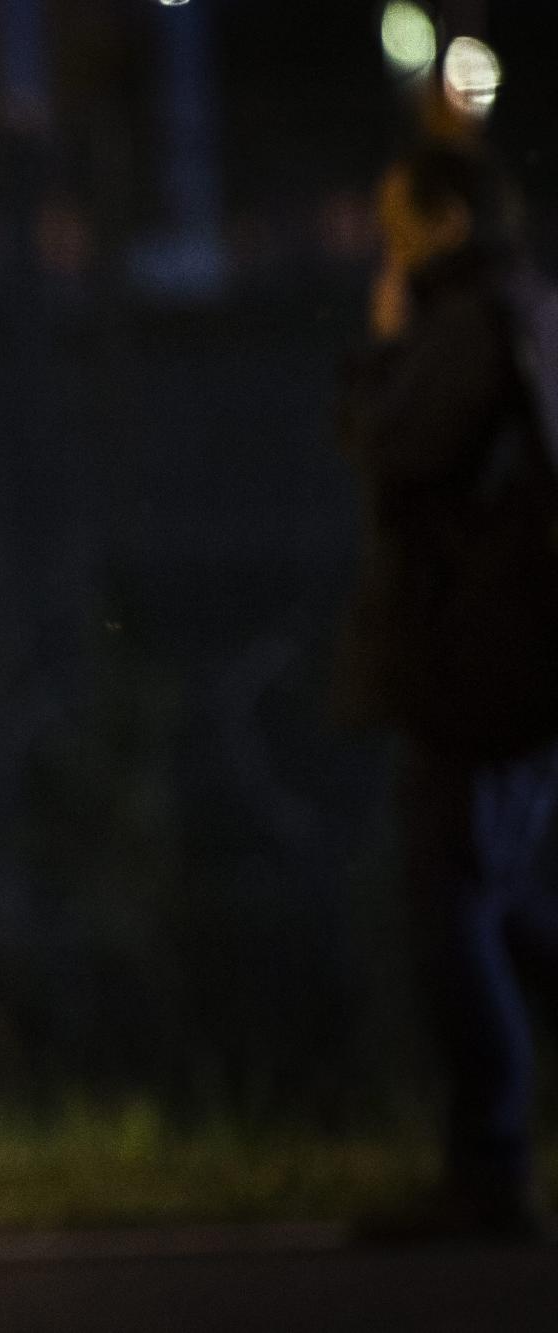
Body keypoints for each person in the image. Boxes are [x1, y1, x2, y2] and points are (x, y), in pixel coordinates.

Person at [336, 136, 558, 1241]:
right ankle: (491, 1155)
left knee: (452, 904)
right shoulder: (531, 307)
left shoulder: (464, 322)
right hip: (518, 656)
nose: (389, 250)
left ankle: (488, 1164)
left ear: (446, 217)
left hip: (476, 660)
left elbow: (393, 447)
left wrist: (382, 344)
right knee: (503, 896)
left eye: (398, 226)